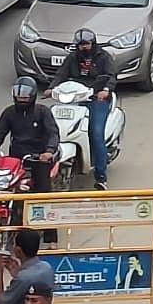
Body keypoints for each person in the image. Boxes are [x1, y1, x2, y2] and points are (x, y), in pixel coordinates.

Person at [50, 27, 116, 189]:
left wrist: (105, 91)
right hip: (74, 98)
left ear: (93, 43)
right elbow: (61, 74)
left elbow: (111, 77)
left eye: (86, 44)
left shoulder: (104, 57)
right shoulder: (72, 58)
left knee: (95, 133)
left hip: (96, 98)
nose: (83, 47)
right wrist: (51, 88)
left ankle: (101, 177)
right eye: (80, 45)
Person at [0, 77, 60, 195]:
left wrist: (49, 151)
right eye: (19, 95)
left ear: (33, 95)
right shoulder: (9, 112)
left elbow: (53, 133)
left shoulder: (42, 112)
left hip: (39, 159)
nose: (21, 99)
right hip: (15, 159)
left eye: (25, 96)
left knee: (42, 193)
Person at [0, 231, 55, 304]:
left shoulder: (22, 278)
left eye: (14, 245)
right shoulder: (47, 267)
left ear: (18, 250)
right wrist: (19, 272)